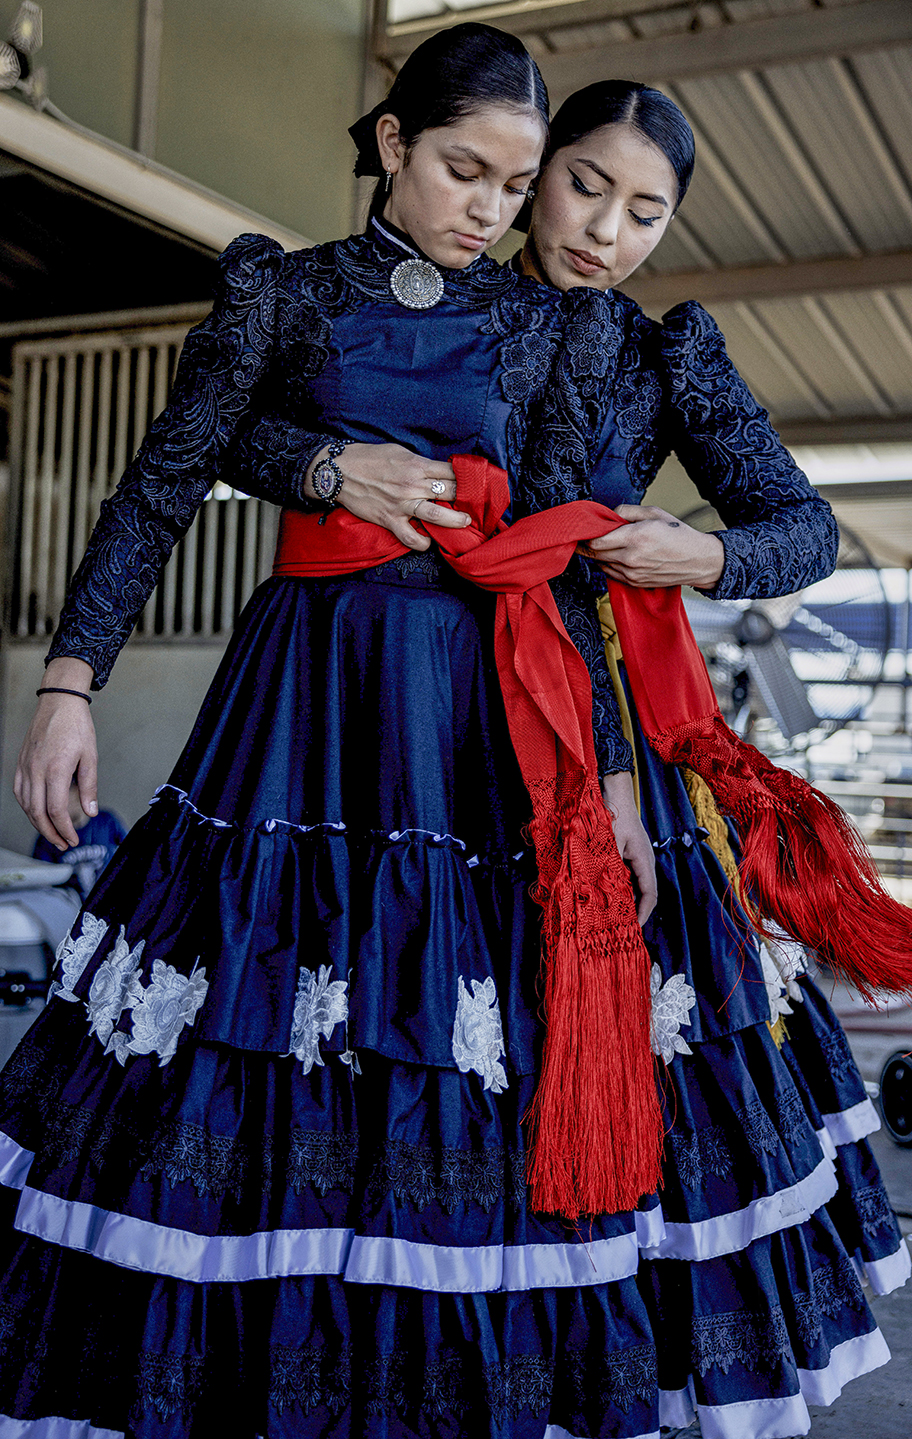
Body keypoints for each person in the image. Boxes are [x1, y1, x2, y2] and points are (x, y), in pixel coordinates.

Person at [0, 24, 672, 1439]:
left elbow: (568, 568)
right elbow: (166, 477)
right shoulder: (278, 295)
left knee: (440, 1034)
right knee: (250, 1006)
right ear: (394, 145)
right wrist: (68, 680)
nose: (490, 208)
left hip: (475, 719)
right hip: (302, 702)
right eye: (465, 169)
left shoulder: (542, 328)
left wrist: (621, 791)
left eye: (517, 189)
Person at [217, 79, 912, 1437]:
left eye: (648, 211)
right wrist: (318, 467)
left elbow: (802, 526)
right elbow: (236, 426)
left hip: (581, 716)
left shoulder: (661, 353)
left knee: (577, 1030)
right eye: (585, 186)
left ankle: (570, 1366)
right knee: (379, 1024)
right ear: (532, 175)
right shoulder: (414, 300)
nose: (608, 229)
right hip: (397, 718)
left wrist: (698, 551)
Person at [32, 782, 126, 897]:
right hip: (71, 908)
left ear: (78, 791)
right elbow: (41, 882)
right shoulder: (48, 836)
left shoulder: (107, 822)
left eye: (61, 796)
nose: (54, 805)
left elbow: (133, 853)